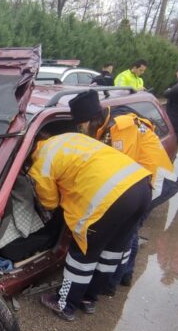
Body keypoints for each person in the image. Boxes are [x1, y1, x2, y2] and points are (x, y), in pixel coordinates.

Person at [29, 129, 151, 321]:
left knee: (81, 256)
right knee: (111, 251)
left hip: (109, 200)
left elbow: (49, 202)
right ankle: (89, 298)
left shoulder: (42, 159)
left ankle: (64, 304)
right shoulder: (71, 137)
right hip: (141, 187)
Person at [69, 90, 178, 291]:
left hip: (153, 182)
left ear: (92, 119)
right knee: (127, 231)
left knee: (128, 233)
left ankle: (119, 278)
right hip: (141, 180)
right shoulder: (106, 124)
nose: (80, 130)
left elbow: (120, 174)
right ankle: (120, 275)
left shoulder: (120, 129)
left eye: (81, 125)